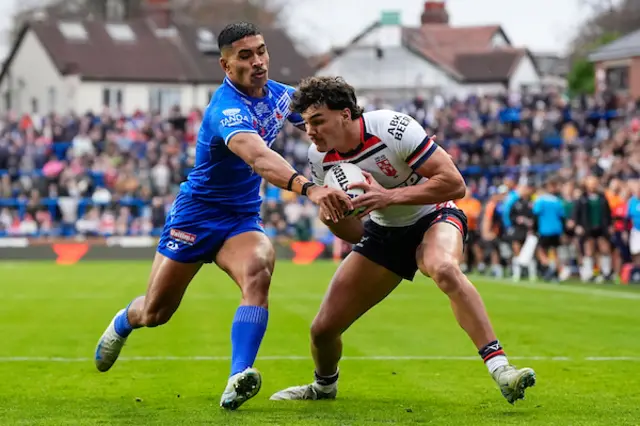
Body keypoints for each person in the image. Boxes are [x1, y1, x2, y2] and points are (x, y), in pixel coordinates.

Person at [93, 22, 351, 411]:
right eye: (245, 56)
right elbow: (259, 157)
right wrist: (311, 187)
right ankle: (124, 321)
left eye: (261, 51)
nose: (258, 61)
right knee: (156, 311)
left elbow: (324, 119)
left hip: (241, 218)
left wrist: (365, 142)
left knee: (258, 270)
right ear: (226, 66)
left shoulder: (282, 96)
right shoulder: (225, 109)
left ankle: (238, 376)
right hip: (195, 218)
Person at [269, 76, 536, 405]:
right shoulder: (319, 157)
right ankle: (323, 387)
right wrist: (332, 216)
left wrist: (389, 196)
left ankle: (502, 370)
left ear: (346, 114)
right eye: (307, 123)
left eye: (318, 121)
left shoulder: (392, 127)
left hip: (433, 216)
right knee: (322, 331)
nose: (310, 131)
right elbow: (355, 234)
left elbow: (454, 184)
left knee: (444, 268)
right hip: (383, 232)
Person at [573, 176, 613, 282]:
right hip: (587, 227)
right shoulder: (582, 198)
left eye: (594, 183)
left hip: (601, 227)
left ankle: (606, 272)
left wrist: (609, 225)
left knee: (604, 249)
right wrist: (578, 225)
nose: (593, 186)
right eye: (591, 183)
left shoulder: (602, 197)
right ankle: (588, 273)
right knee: (589, 250)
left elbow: (608, 213)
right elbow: (577, 213)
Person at [532, 177, 565, 281]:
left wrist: (534, 229)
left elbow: (535, 214)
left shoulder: (541, 200)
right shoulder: (557, 201)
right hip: (556, 230)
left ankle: (549, 268)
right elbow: (562, 216)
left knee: (541, 250)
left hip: (545, 229)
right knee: (554, 252)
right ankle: (556, 271)